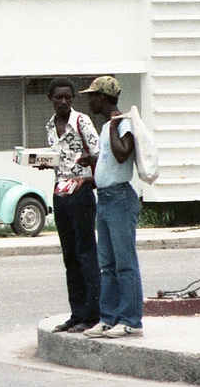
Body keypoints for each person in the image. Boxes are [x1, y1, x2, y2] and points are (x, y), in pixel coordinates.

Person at [79, 76, 145, 339]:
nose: (90, 101)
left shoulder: (121, 123)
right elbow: (108, 160)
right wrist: (90, 167)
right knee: (107, 263)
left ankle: (131, 321)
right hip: (105, 198)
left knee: (124, 264)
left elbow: (122, 154)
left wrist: (114, 125)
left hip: (119, 198)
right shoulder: (108, 125)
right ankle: (109, 318)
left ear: (103, 98)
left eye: (93, 96)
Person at [39, 77, 102, 334]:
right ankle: (76, 314)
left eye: (67, 97)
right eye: (58, 97)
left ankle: (92, 315)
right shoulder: (50, 125)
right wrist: (45, 162)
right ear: (50, 99)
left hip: (82, 191)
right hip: (61, 193)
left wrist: (89, 176)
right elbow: (59, 160)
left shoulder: (82, 121)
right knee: (70, 257)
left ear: (73, 98)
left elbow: (99, 153)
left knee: (86, 254)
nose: (63, 101)